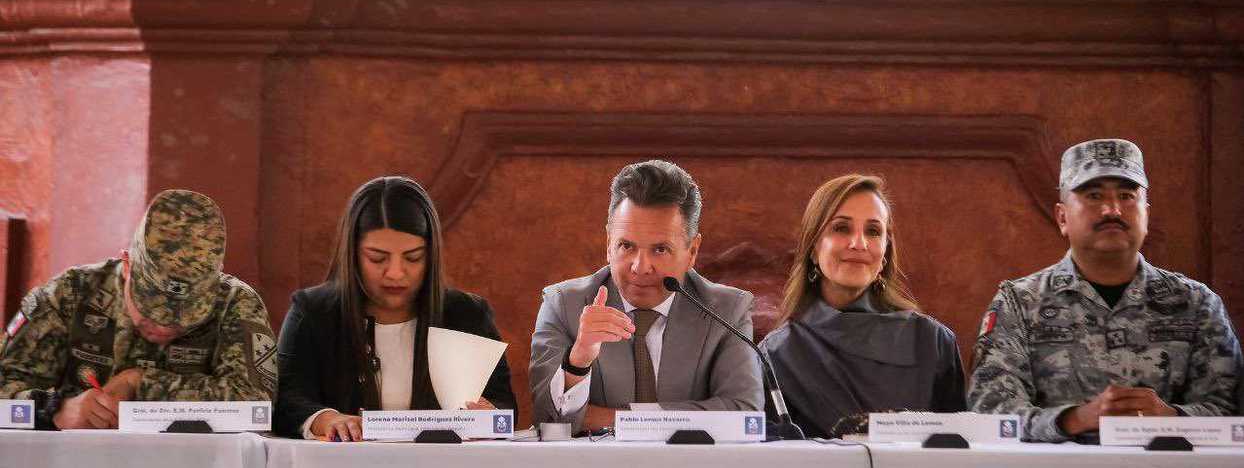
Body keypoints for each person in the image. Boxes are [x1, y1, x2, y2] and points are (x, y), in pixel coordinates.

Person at [969, 139, 1243, 442]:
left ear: (1146, 215)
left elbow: (1231, 412)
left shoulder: (1196, 304)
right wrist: (1074, 419)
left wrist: (1171, 419)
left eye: (1126, 196)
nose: (1112, 209)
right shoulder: (1019, 303)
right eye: (1094, 195)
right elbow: (989, 412)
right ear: (1062, 217)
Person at [0, 189, 276, 430]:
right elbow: (4, 388)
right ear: (127, 266)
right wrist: (55, 410)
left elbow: (258, 406)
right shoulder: (70, 294)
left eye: (186, 318)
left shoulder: (235, 303)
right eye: (151, 311)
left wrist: (140, 383)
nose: (165, 327)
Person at [529, 159, 763, 434]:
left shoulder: (727, 310)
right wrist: (578, 361)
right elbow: (547, 421)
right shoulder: (563, 304)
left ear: (692, 251)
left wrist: (620, 420)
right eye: (626, 246)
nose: (640, 267)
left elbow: (744, 414)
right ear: (608, 244)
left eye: (660, 249)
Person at [274, 176, 515, 440]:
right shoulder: (312, 312)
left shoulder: (467, 315)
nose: (396, 273)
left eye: (413, 257)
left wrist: (490, 416)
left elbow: (503, 405)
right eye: (377, 258)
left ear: (431, 254)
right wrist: (324, 419)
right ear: (352, 253)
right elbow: (286, 400)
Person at [759, 174, 965, 438]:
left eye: (873, 231)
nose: (859, 243)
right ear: (813, 247)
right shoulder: (777, 354)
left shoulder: (934, 342)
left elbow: (960, 453)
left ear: (885, 253)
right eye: (841, 228)